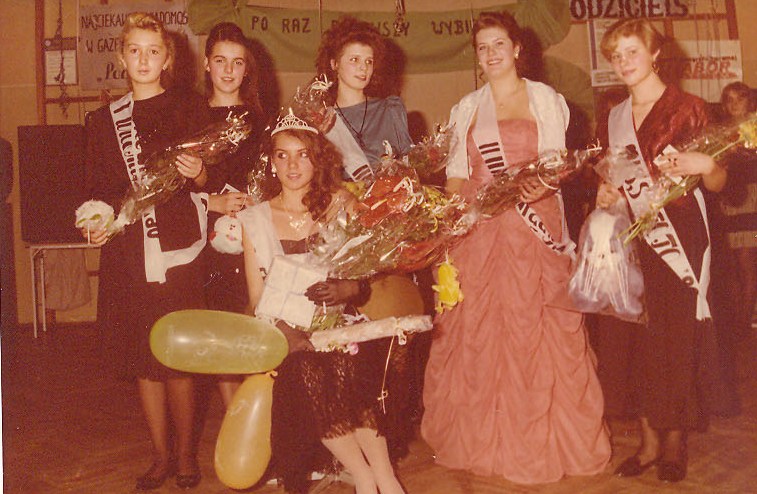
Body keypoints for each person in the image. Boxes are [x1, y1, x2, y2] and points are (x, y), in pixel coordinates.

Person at [421, 11, 611, 484]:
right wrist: (444, 222)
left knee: (534, 322)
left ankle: (540, 442)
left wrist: (539, 184)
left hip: (531, 225)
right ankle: (480, 440)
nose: (491, 54)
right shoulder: (467, 106)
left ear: (517, 48)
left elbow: (556, 164)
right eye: (482, 47)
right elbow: (457, 175)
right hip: (478, 230)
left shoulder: (544, 98)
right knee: (478, 327)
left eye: (499, 44)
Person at [237, 114, 406, 494]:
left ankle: (384, 477)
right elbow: (257, 299)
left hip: (340, 323)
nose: (293, 165)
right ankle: (363, 475)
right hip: (285, 330)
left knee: (354, 362)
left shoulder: (340, 205)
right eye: (283, 155)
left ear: (317, 159)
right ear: (271, 162)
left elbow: (366, 276)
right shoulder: (254, 220)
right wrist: (288, 333)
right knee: (308, 367)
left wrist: (348, 289)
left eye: (303, 155)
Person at [594, 18, 728, 483]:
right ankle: (648, 442)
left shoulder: (689, 108)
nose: (623, 62)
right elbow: (613, 174)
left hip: (677, 236)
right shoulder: (613, 115)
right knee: (634, 340)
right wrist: (606, 192)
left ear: (655, 54)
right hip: (631, 235)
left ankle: (674, 442)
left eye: (632, 51)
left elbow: (720, 182)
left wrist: (705, 163)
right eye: (616, 55)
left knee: (673, 339)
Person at [81, 12, 206, 490]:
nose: (144, 59)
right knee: (143, 358)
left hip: (177, 251)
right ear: (121, 57)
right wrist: (95, 223)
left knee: (178, 354)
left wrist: (199, 172)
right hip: (128, 253)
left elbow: (209, 177)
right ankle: (160, 456)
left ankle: (187, 456)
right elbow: (98, 190)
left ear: (168, 58)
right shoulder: (102, 121)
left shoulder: (189, 107)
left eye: (153, 51)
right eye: (134, 50)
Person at [200, 21, 267, 407]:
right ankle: (233, 413)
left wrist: (257, 202)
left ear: (247, 69)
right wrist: (213, 203)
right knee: (219, 326)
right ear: (206, 64)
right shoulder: (190, 116)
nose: (228, 70)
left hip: (252, 234)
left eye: (237, 62)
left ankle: (257, 411)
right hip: (205, 236)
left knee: (251, 318)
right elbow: (174, 185)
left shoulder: (261, 120)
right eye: (220, 60)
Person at [316, 16, 412, 181]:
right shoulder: (322, 119)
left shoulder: (390, 110)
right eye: (354, 60)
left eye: (369, 61)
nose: (363, 67)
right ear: (334, 64)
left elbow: (410, 168)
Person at [719, 82, 756, 340]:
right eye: (729, 100)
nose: (734, 104)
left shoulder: (754, 127)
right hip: (728, 201)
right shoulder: (719, 132)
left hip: (752, 201)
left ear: (750, 102)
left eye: (739, 98)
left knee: (747, 263)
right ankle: (735, 322)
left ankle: (743, 324)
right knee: (730, 265)